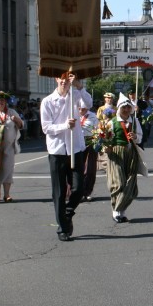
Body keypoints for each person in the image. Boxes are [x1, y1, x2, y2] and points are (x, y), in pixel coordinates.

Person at [40, 73, 92, 241]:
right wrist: (64, 126)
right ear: (56, 79)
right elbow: (46, 127)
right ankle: (62, 228)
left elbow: (88, 103)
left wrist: (79, 85)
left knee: (79, 188)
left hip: (75, 148)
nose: (63, 81)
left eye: (66, 78)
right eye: (60, 78)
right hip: (57, 151)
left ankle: (67, 213)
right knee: (60, 191)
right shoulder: (47, 101)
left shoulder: (75, 95)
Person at [103, 94, 143, 222]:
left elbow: (140, 137)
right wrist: (106, 148)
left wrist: (135, 137)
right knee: (118, 183)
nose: (126, 110)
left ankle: (122, 210)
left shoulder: (134, 121)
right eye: (123, 108)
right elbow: (105, 139)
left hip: (131, 153)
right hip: (116, 153)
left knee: (130, 183)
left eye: (128, 107)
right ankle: (116, 210)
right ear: (119, 108)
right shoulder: (112, 122)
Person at [78, 102, 99, 202]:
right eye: (79, 108)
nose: (81, 110)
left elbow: (97, 130)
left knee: (90, 168)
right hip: (77, 143)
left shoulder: (93, 116)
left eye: (83, 108)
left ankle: (88, 191)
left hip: (90, 142)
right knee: (78, 169)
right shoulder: (73, 114)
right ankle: (78, 192)